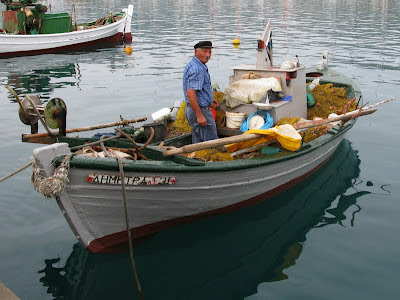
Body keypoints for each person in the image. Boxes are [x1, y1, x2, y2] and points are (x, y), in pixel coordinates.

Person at [183, 41, 219, 144]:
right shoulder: (197, 69)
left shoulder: (194, 64)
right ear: (196, 52)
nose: (208, 55)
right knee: (212, 144)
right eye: (204, 51)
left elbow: (197, 90)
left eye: (209, 52)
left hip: (194, 109)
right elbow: (190, 93)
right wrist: (199, 115)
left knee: (198, 143)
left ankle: (197, 158)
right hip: (199, 111)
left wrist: (209, 100)